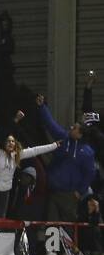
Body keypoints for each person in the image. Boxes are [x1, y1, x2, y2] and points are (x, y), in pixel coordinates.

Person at [39, 95, 99, 225]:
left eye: (75, 128)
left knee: (68, 227)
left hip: (69, 196)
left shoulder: (87, 152)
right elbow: (51, 125)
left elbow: (90, 174)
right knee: (52, 226)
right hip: (53, 191)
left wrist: (79, 192)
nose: (71, 127)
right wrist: (42, 107)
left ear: (80, 134)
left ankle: (70, 246)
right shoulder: (64, 138)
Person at [0, 133, 59, 218]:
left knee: (2, 216)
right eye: (8, 141)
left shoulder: (17, 155)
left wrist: (54, 145)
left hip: (6, 190)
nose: (10, 143)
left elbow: (35, 150)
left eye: (12, 141)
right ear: (4, 143)